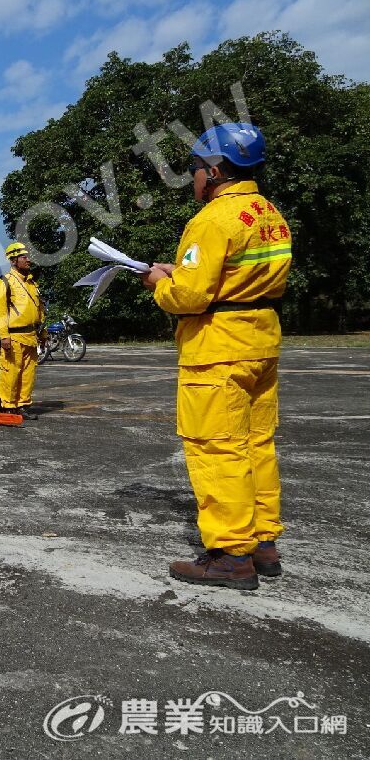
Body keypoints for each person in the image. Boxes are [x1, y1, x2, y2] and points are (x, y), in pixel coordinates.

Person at [142, 123, 291, 591]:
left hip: (218, 349)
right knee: (256, 444)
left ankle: (230, 555)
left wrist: (158, 283)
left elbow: (187, 296)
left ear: (215, 169)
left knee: (217, 447)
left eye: (194, 170)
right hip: (259, 339)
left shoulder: (211, 219)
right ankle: (263, 541)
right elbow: (235, 278)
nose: (193, 179)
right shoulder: (270, 214)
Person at [0, 242, 43, 419]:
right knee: (11, 372)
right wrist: (4, 336)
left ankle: (23, 405)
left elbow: (39, 308)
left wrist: (42, 332)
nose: (28, 260)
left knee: (28, 373)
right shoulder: (4, 282)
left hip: (31, 335)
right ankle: (8, 405)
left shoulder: (31, 283)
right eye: (24, 257)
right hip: (13, 336)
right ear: (13, 260)